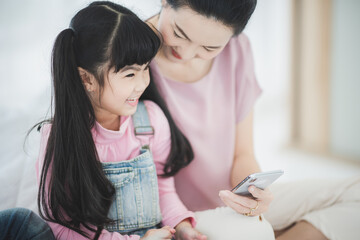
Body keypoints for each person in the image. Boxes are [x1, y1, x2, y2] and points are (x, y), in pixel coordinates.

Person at [146, 0, 360, 239]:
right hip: (182, 218)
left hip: (233, 201)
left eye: (208, 48)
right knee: (257, 232)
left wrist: (254, 193)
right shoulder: (127, 54)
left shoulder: (237, 50)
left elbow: (243, 154)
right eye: (178, 33)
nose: (185, 53)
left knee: (357, 194)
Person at [35, 1, 208, 239]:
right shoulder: (59, 138)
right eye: (129, 74)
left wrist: (182, 226)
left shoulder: (151, 121)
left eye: (145, 68)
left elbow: (163, 190)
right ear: (86, 78)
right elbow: (62, 227)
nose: (141, 83)